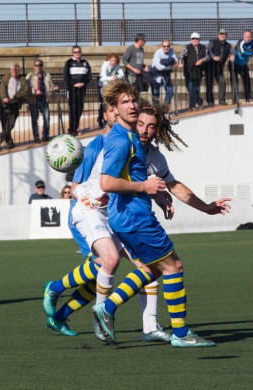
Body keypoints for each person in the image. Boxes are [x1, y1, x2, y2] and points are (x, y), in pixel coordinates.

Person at [92, 79, 230, 347]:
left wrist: (205, 207)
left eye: (151, 126)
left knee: (154, 268)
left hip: (127, 217)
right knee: (174, 266)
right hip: (133, 217)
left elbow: (174, 185)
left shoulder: (136, 143)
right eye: (126, 103)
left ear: (158, 129)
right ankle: (180, 334)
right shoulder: (122, 141)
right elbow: (106, 183)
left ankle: (106, 308)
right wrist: (145, 186)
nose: (144, 129)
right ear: (114, 109)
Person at [43, 101, 171, 342]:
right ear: (108, 115)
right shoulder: (96, 147)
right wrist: (89, 201)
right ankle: (59, 291)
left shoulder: (135, 144)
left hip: (115, 214)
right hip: (88, 213)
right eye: (115, 108)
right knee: (105, 264)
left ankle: (149, 327)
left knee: (144, 266)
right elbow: (78, 188)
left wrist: (160, 195)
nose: (123, 113)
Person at [26, 59, 59, 143]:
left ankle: (45, 135)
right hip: (34, 100)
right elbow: (27, 88)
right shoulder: (30, 75)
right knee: (34, 120)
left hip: (44, 99)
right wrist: (35, 91)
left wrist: (54, 88)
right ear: (34, 67)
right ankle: (36, 137)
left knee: (47, 118)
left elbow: (50, 85)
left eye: (40, 65)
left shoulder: (47, 75)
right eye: (36, 65)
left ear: (42, 66)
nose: (38, 67)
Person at [0, 64, 28, 150]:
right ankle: (9, 142)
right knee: (4, 124)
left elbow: (24, 90)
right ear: (10, 71)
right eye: (13, 70)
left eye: (16, 70)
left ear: (19, 71)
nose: (14, 71)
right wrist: (4, 97)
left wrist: (15, 97)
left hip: (15, 103)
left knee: (11, 123)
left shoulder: (22, 78)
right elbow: (2, 87)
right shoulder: (6, 77)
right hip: (4, 104)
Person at [63, 46, 92, 135]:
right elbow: (66, 76)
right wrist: (73, 85)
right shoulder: (69, 62)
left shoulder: (85, 63)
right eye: (75, 52)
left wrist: (83, 83)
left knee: (79, 109)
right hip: (72, 90)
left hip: (82, 90)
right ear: (73, 53)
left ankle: (74, 128)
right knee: (72, 110)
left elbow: (89, 76)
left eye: (79, 52)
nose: (77, 53)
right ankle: (72, 130)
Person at [178, 32, 208, 111]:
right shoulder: (187, 47)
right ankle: (199, 101)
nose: (195, 40)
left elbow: (207, 57)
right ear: (191, 40)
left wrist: (201, 60)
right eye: (193, 39)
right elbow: (181, 56)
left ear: (199, 39)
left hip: (198, 72)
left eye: (196, 39)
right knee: (190, 89)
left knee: (196, 89)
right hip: (189, 72)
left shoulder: (203, 47)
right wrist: (180, 62)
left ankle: (191, 106)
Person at [207, 29, 235, 106]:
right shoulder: (213, 42)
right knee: (209, 84)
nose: (222, 35)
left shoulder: (228, 45)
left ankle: (222, 100)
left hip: (219, 68)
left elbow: (233, 51)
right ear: (218, 35)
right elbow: (209, 50)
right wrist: (213, 57)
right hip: (210, 66)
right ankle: (210, 101)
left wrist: (233, 55)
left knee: (222, 83)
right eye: (221, 34)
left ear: (226, 36)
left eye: (224, 34)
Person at [232, 30, 253, 104]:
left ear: (252, 37)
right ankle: (235, 99)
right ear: (243, 37)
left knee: (247, 82)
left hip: (244, 65)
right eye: (246, 37)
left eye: (249, 37)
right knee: (235, 82)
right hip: (235, 64)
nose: (248, 38)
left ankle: (248, 98)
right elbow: (242, 52)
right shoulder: (240, 42)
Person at [98, 53, 124, 128]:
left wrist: (117, 77)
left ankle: (109, 121)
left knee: (110, 104)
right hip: (103, 87)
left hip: (110, 87)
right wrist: (112, 78)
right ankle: (102, 120)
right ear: (109, 60)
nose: (113, 62)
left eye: (115, 61)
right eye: (112, 60)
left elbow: (122, 74)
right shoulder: (105, 65)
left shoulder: (117, 65)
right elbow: (103, 77)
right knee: (103, 104)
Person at [151, 40, 178, 105]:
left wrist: (163, 62)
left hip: (166, 74)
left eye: (167, 46)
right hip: (156, 74)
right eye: (164, 46)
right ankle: (156, 110)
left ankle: (164, 108)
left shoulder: (172, 51)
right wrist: (170, 66)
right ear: (161, 46)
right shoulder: (158, 53)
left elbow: (175, 61)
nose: (166, 48)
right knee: (155, 94)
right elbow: (158, 66)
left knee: (170, 91)